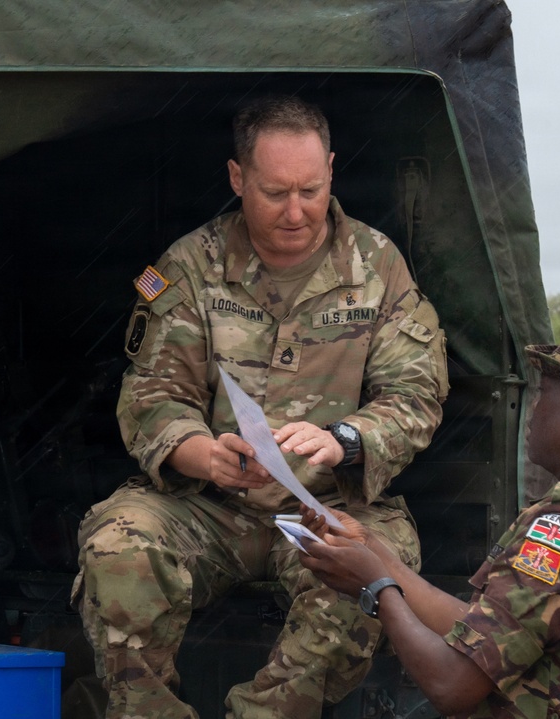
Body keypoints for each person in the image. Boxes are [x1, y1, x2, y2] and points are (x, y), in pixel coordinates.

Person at [71, 95, 449, 719]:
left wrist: (345, 440)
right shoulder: (190, 266)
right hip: (205, 505)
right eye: (275, 193)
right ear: (237, 178)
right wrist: (205, 455)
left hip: (325, 504)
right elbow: (151, 398)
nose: (296, 211)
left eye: (312, 189)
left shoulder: (378, 265)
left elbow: (415, 393)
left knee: (374, 572)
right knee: (120, 545)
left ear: (331, 168)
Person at [299, 315, 560, 718]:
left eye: (544, 394)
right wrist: (375, 551)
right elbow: (487, 634)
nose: (534, 410)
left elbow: (451, 683)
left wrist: (376, 589)